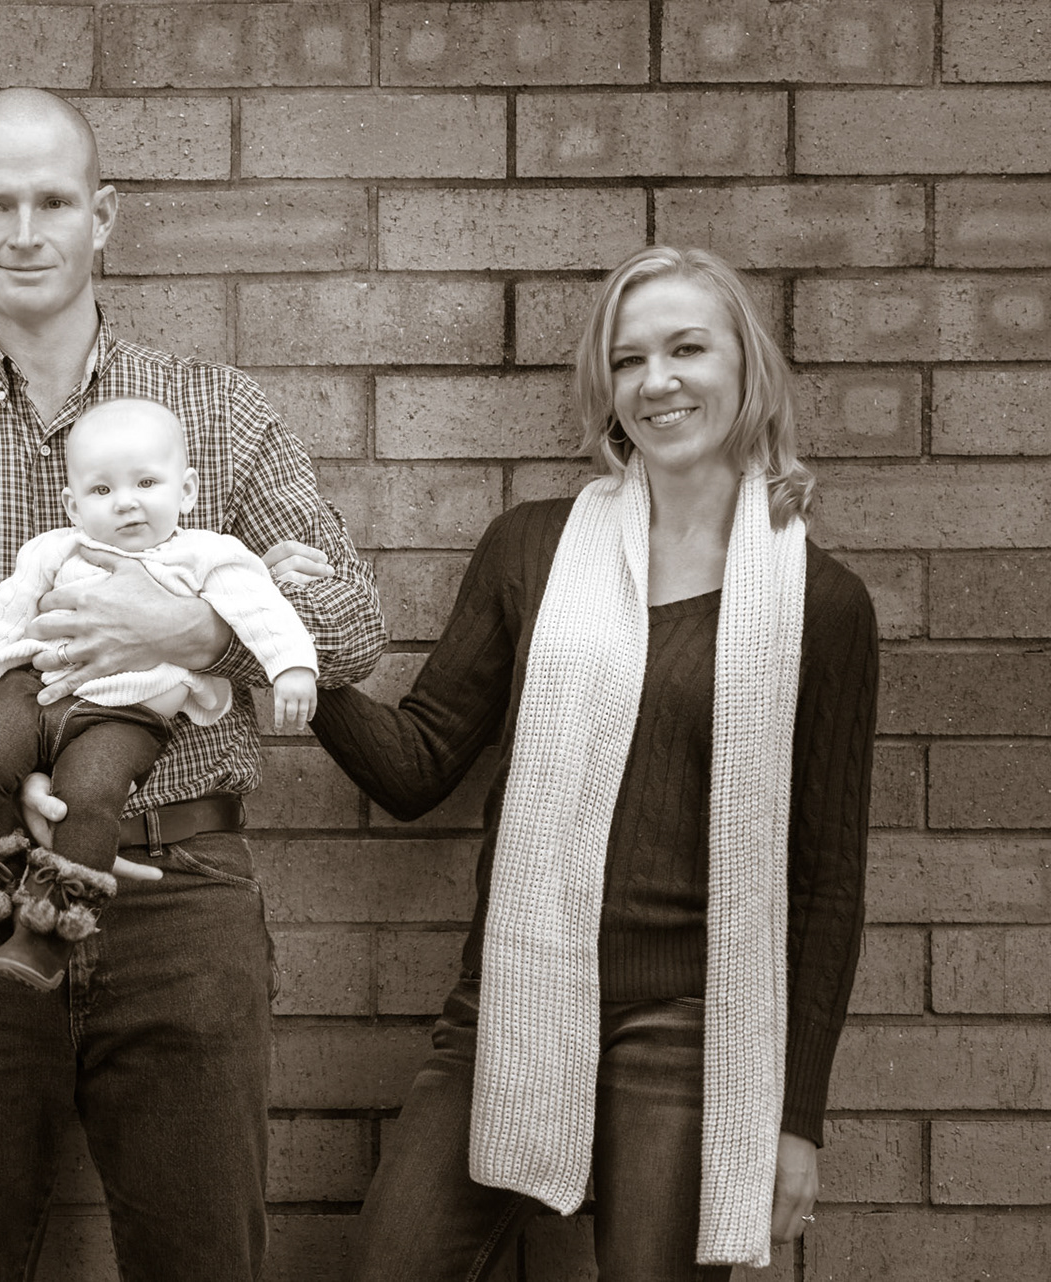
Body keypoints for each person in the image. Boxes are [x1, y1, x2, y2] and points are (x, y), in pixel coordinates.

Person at [0, 88, 383, 1279]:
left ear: (102, 215)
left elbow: (356, 625)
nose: (26, 231)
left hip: (181, 898)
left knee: (204, 1259)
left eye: (54, 201)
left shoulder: (221, 411)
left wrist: (198, 628)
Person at [309, 245, 878, 1279]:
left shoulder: (822, 603)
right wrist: (277, 654)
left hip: (691, 1028)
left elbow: (827, 880)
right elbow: (418, 765)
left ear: (746, 366)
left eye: (686, 349)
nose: (657, 382)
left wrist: (797, 1118)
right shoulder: (532, 549)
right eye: (628, 359)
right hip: (511, 996)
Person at [0, 397, 320, 991]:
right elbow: (3, 614)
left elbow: (264, 612)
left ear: (186, 490)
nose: (126, 501)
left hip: (125, 713)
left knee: (88, 794)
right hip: (34, 688)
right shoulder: (55, 549)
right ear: (73, 505)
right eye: (101, 490)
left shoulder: (208, 555)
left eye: (146, 483)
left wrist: (292, 667)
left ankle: (52, 931)